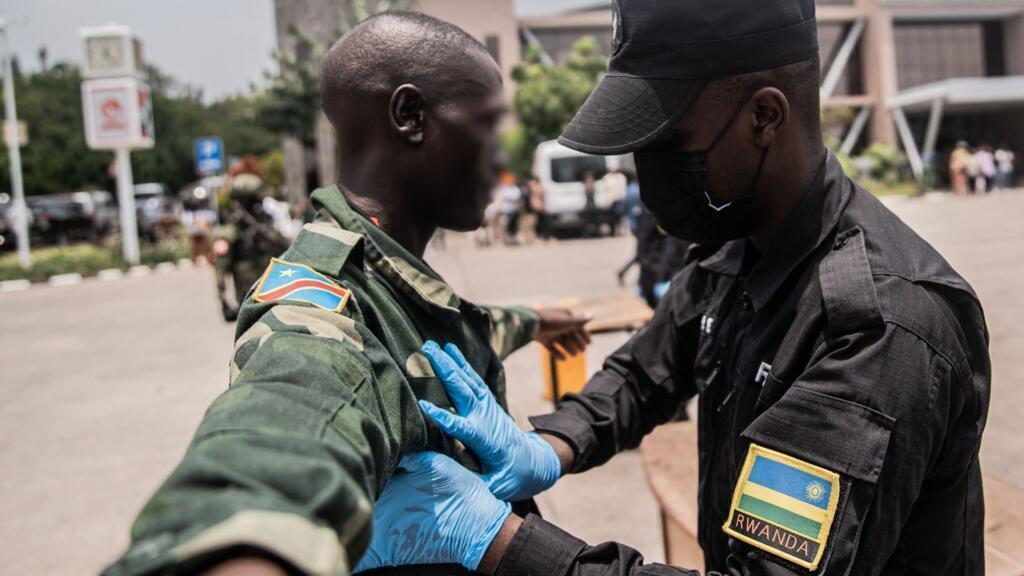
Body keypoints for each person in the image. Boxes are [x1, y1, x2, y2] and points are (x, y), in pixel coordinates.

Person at [363, 1, 990, 575]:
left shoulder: (879, 327)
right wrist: (549, 445)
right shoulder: (739, 247)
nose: (647, 169)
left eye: (666, 142)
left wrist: (499, 542)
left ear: (765, 118)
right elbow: (647, 371)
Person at [102, 12, 591, 576]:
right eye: (486, 124)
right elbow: (295, 410)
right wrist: (244, 547)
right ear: (410, 116)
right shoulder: (319, 303)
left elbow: (442, 333)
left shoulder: (392, 273)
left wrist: (537, 318)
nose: (500, 157)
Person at [211, 174, 290, 322]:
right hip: (248, 302)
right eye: (254, 202)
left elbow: (288, 250)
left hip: (275, 297)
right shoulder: (231, 232)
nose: (258, 206)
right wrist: (223, 300)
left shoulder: (266, 227)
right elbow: (220, 268)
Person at [601, 167, 628, 236]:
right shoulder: (607, 177)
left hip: (620, 199)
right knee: (612, 217)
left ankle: (620, 230)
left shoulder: (621, 177)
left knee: (620, 215)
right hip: (611, 200)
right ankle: (613, 231)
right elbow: (605, 189)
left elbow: (623, 189)